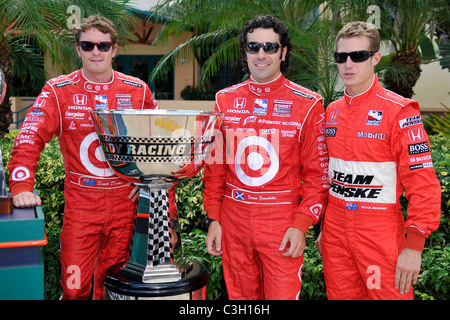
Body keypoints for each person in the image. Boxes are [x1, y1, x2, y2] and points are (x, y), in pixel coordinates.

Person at [7, 15, 158, 299]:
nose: (96, 51)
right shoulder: (58, 90)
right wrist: (22, 186)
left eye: (103, 45)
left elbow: (157, 148)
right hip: (81, 206)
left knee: (110, 288)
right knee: (74, 289)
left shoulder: (138, 91)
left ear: (114, 49)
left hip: (124, 206)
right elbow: (30, 136)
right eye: (88, 45)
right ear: (78, 49)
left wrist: (158, 202)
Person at [202, 15, 329, 300]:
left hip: (281, 221)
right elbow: (215, 167)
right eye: (253, 47)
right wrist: (214, 218)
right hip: (234, 220)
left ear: (283, 53)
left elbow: (317, 176)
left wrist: (300, 225)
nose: (261, 54)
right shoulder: (224, 99)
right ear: (245, 52)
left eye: (270, 47)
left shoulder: (308, 104)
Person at [315, 21, 441, 300]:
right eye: (341, 57)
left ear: (375, 59)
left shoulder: (400, 111)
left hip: (380, 235)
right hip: (335, 233)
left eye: (358, 56)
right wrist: (326, 226)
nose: (348, 64)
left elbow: (423, 183)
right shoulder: (331, 111)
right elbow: (328, 176)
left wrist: (413, 246)